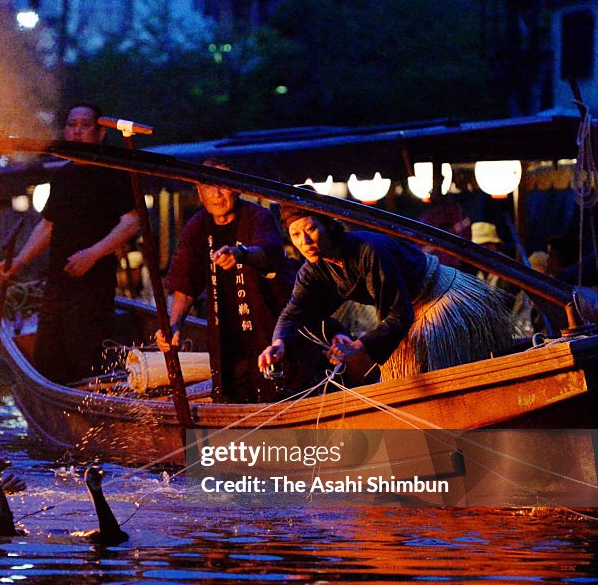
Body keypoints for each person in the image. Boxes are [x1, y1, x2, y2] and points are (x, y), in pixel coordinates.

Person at [258, 207, 516, 382]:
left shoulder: (369, 250)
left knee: (443, 375)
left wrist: (360, 346)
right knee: (399, 380)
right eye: (295, 235)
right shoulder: (312, 271)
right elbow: (293, 314)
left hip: (440, 298)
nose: (305, 241)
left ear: (328, 227)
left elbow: (398, 315)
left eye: (311, 230)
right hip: (408, 314)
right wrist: (279, 343)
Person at [0, 103, 139, 384]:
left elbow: (131, 222)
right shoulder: (62, 175)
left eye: (85, 126)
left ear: (99, 134)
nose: (77, 131)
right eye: (72, 125)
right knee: (49, 356)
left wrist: (93, 254)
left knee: (85, 356)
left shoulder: (115, 172)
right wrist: (20, 261)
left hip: (93, 286)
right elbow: (48, 225)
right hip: (58, 283)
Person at [155, 159, 297, 403]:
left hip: (270, 330)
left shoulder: (258, 217)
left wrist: (240, 254)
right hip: (226, 338)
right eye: (209, 186)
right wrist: (174, 324)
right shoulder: (197, 226)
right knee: (231, 398)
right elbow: (186, 285)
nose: (217, 194)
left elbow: (269, 253)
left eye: (224, 185)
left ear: (238, 188)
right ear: (199, 192)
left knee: (278, 396)